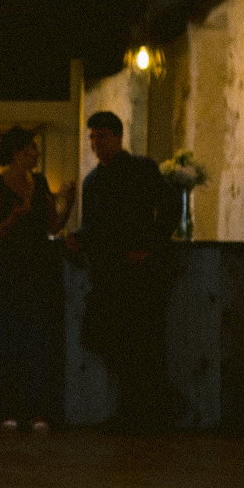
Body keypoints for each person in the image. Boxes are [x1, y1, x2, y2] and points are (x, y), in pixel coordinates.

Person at [66, 110, 178, 431]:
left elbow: (170, 205)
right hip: (107, 272)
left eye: (101, 136)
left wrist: (151, 247)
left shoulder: (141, 169)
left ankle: (143, 413)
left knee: (140, 343)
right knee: (105, 335)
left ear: (117, 137)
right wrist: (79, 239)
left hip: (137, 271)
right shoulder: (93, 180)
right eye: (92, 137)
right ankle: (141, 409)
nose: (95, 143)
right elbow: (94, 226)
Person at [0, 127, 67, 432]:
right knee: (7, 337)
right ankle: (6, 409)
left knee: (36, 338)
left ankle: (36, 410)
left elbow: (52, 227)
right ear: (16, 152)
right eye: (31, 148)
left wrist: (65, 204)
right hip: (8, 267)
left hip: (38, 267)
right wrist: (14, 217)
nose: (36, 153)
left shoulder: (40, 182)